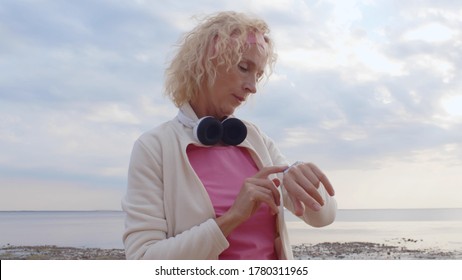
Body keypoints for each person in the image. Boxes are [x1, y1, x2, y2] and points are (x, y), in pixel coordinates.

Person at [122, 11, 337, 260]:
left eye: (258, 75)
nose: (253, 87)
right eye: (244, 68)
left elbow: (324, 217)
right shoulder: (154, 147)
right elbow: (142, 259)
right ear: (207, 62)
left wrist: (308, 183)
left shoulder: (256, 140)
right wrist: (233, 217)